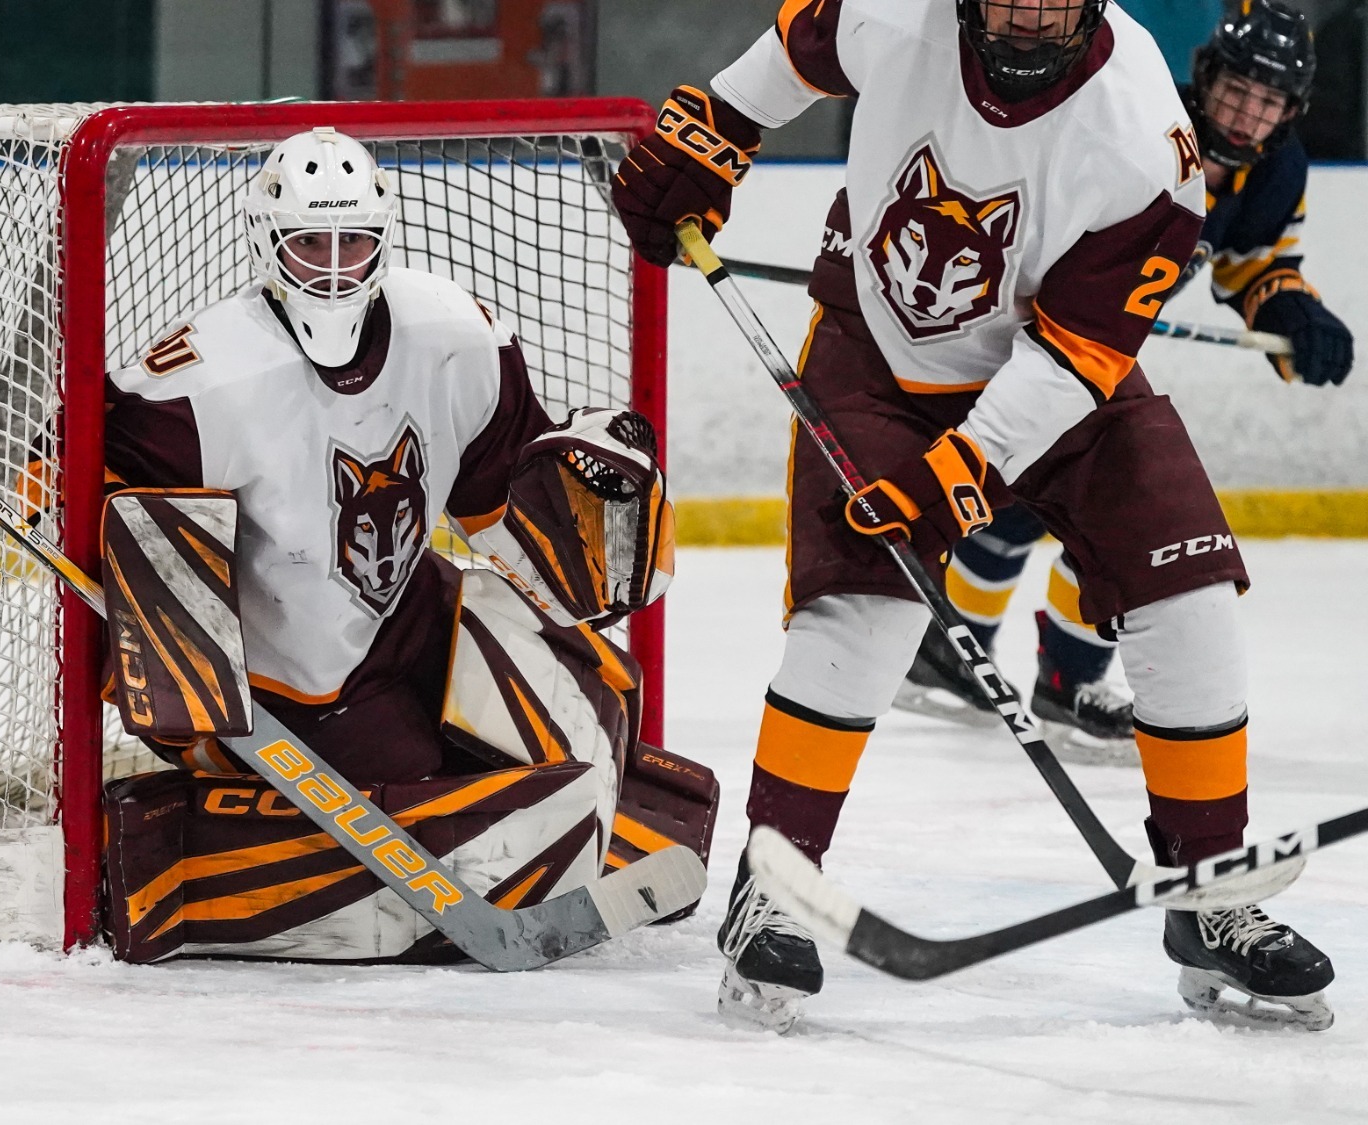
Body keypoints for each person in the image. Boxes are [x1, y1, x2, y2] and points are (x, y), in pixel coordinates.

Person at [612, 0, 1333, 1031]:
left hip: (1061, 374)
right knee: (856, 617)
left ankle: (1212, 892)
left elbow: (1076, 354)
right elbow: (790, 50)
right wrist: (720, 122)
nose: (1028, 13)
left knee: (1189, 597)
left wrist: (958, 470)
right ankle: (773, 881)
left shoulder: (1144, 136)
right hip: (881, 361)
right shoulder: (885, 12)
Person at [94, 128, 711, 964]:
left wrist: (585, 514)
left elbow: (501, 497)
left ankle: (583, 822)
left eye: (356, 242)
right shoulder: (205, 381)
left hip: (412, 614)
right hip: (291, 679)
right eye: (312, 242)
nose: (336, 266)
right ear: (269, 245)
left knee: (597, 694)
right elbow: (107, 517)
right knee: (426, 779)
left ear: (386, 238)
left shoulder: (452, 333)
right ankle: (195, 857)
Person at [895, 0, 1353, 765]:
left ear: (1291, 112)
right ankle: (1018, 663)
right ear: (1203, 78)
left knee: (1063, 501)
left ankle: (967, 648)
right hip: (1020, 330)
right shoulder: (1136, 114)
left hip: (1092, 350)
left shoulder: (1279, 172)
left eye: (1268, 102)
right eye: (1236, 90)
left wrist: (1294, 312)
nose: (1246, 115)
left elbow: (1253, 266)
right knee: (1090, 496)